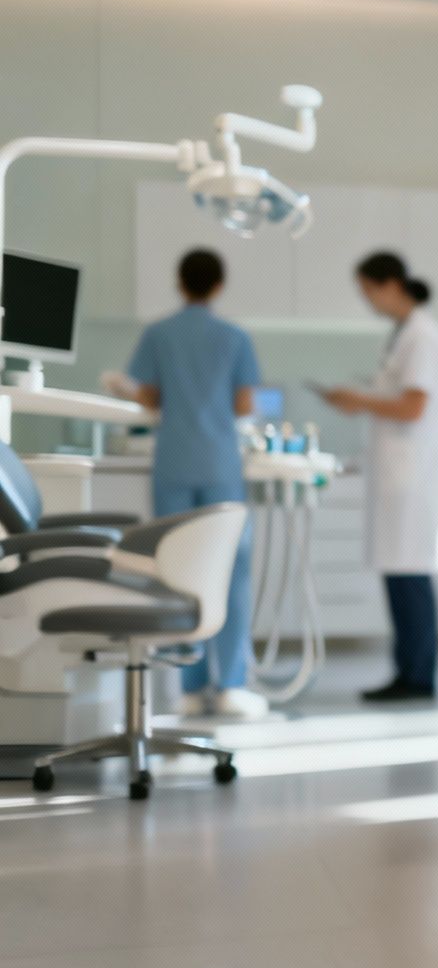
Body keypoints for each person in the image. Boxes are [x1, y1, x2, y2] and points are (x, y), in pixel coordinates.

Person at [126, 247, 266, 719]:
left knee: (176, 571)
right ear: (219, 285)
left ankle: (186, 687)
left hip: (174, 464)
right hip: (220, 465)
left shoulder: (159, 334)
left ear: (179, 282)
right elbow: (245, 404)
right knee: (229, 572)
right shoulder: (234, 337)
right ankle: (228, 686)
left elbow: (146, 394)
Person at [319, 252, 438, 704]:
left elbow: (413, 406)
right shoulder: (403, 335)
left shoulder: (422, 337)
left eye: (368, 291)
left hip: (413, 477)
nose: (367, 301)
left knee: (410, 577)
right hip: (401, 474)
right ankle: (408, 671)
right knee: (401, 577)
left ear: (390, 283)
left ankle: (418, 676)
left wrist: (360, 400)